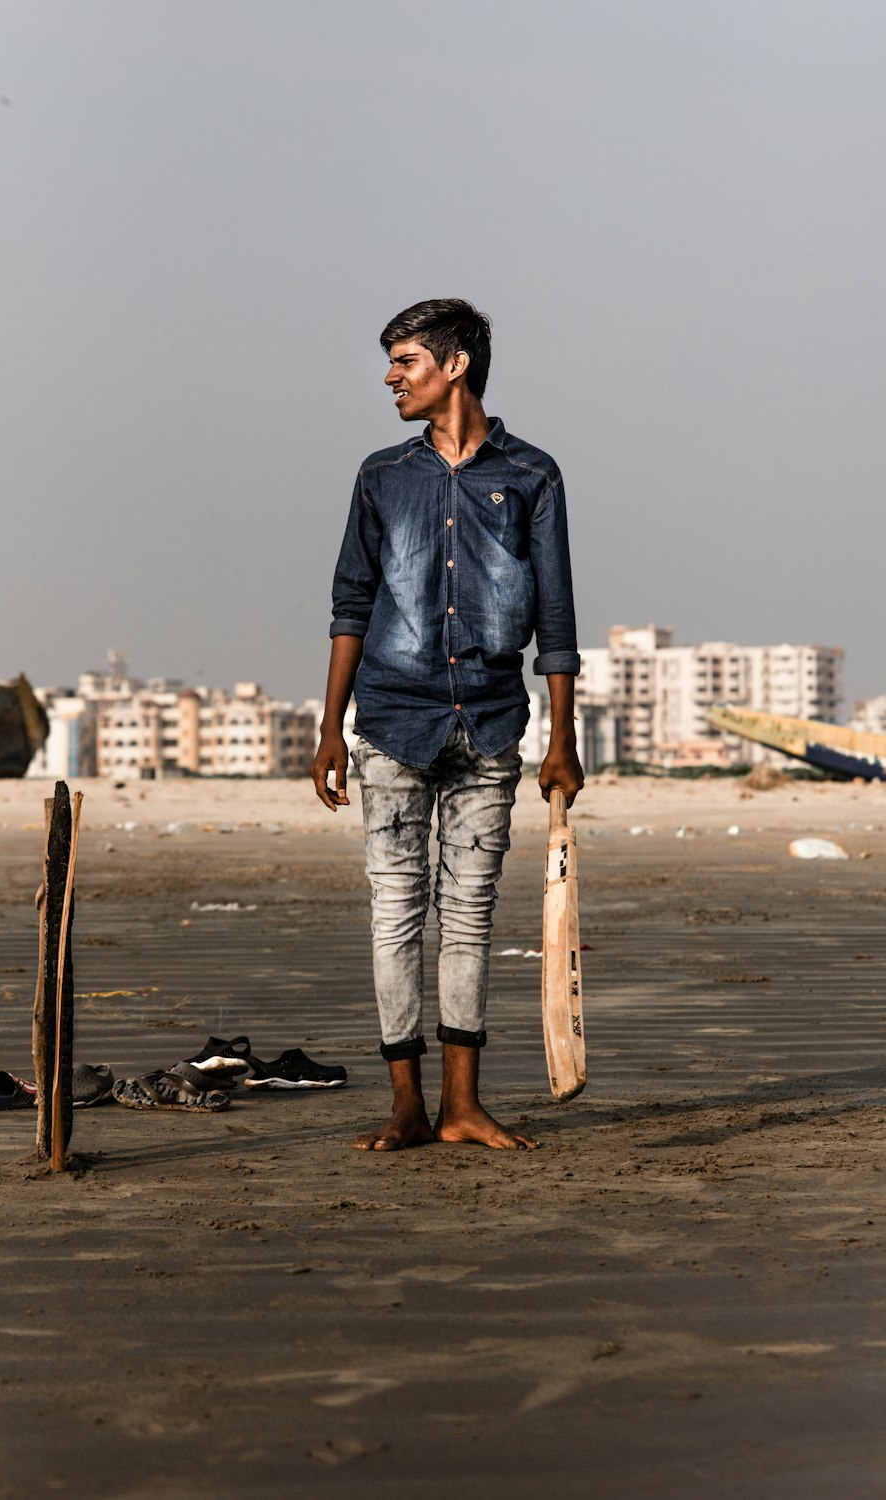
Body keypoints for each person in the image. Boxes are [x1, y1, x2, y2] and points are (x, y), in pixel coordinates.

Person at [311, 298, 583, 1151]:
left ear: (455, 364)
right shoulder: (381, 475)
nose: (391, 377)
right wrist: (329, 728)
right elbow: (351, 601)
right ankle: (405, 1106)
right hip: (390, 720)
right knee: (395, 913)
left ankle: (462, 1104)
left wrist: (563, 739)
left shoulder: (532, 475)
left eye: (405, 361)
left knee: (468, 916)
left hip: (493, 726)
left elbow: (558, 615)